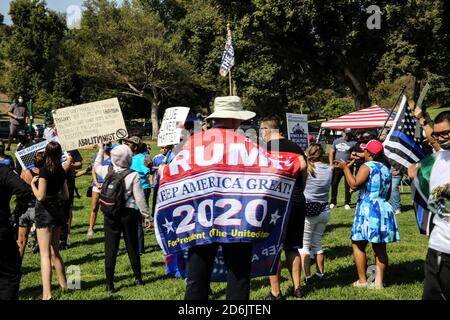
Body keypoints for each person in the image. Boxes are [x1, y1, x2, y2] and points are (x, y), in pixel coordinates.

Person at [336, 139, 399, 289]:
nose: (363, 152)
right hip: (383, 209)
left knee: (358, 244)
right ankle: (378, 283)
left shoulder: (367, 166)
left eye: (365, 150)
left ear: (369, 153)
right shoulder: (385, 168)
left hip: (367, 210)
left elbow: (354, 183)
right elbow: (385, 192)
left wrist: (345, 169)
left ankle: (363, 281)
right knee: (380, 248)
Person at [260, 115, 307, 300]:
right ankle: (297, 289)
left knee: (273, 248)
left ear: (266, 130)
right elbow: (304, 174)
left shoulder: (265, 150)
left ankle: (276, 292)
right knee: (292, 247)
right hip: (296, 199)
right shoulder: (296, 148)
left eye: (261, 130)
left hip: (274, 203)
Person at [94, 143, 149, 293]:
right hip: (128, 213)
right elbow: (140, 199)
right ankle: (138, 278)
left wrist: (100, 150)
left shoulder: (107, 170)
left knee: (110, 248)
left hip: (110, 213)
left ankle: (109, 284)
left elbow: (96, 165)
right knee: (132, 246)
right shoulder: (133, 174)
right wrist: (146, 216)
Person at [409, 110, 450, 300]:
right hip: (442, 247)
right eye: (437, 134)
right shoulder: (436, 162)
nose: (441, 138)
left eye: (445, 133)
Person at [31, 141, 69, 300]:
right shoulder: (61, 170)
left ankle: (47, 294)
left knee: (45, 254)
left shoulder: (45, 171)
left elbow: (40, 196)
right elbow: (66, 195)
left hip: (45, 211)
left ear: (46, 152)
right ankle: (65, 286)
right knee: (55, 250)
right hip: (58, 210)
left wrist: (33, 184)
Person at [300, 143, 333, 285]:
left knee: (304, 246)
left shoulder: (306, 169)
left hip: (308, 210)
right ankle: (321, 273)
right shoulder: (330, 169)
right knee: (317, 244)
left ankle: (308, 277)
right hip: (324, 209)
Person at [0, 162, 31, 300]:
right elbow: (24, 190)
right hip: (2, 229)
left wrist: (16, 213)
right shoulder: (3, 171)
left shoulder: (4, 171)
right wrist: (17, 212)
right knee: (9, 274)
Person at [122, 136, 151, 255]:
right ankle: (134, 246)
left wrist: (148, 163)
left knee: (137, 220)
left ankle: (139, 249)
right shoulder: (128, 157)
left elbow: (147, 170)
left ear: (134, 146)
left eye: (129, 144)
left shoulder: (142, 157)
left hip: (142, 189)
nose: (126, 145)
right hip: (130, 189)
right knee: (131, 218)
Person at [17, 152, 45, 257]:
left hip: (23, 208)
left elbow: (19, 187)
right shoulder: (44, 174)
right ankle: (48, 265)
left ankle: (17, 266)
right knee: (45, 241)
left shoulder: (25, 172)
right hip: (37, 208)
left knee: (21, 240)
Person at [87, 143, 113, 236]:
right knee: (94, 207)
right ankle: (90, 228)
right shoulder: (97, 156)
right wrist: (96, 183)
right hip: (97, 185)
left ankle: (108, 227)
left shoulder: (112, 158)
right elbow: (94, 171)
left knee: (107, 207)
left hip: (107, 186)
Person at [60, 149, 83, 250]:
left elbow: (80, 164)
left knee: (66, 212)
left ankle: (64, 239)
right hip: (56, 184)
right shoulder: (53, 147)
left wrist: (69, 164)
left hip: (68, 185)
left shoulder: (72, 150)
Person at [329, 128, 357, 210]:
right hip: (337, 166)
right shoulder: (336, 141)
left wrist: (350, 164)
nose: (347, 135)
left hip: (348, 167)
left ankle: (347, 202)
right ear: (342, 132)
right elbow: (331, 152)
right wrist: (331, 164)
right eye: (346, 133)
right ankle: (333, 202)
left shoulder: (354, 143)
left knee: (348, 185)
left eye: (348, 134)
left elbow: (355, 156)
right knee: (334, 184)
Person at [151, 144, 174, 218]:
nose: (164, 149)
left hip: (168, 183)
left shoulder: (173, 157)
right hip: (157, 183)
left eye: (166, 148)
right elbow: (152, 171)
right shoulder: (156, 158)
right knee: (155, 200)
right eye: (162, 147)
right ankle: (154, 215)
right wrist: (151, 180)